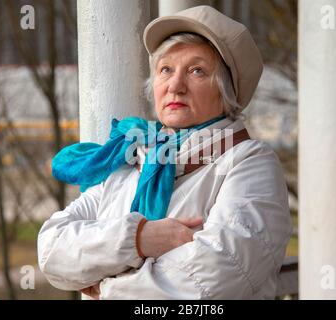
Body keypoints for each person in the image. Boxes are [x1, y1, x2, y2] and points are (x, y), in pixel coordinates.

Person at [37, 5, 292, 300]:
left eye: (197, 70)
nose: (175, 85)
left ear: (227, 92)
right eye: (165, 69)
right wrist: (139, 238)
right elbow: (52, 250)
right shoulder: (132, 160)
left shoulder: (249, 163)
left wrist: (108, 288)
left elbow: (217, 275)